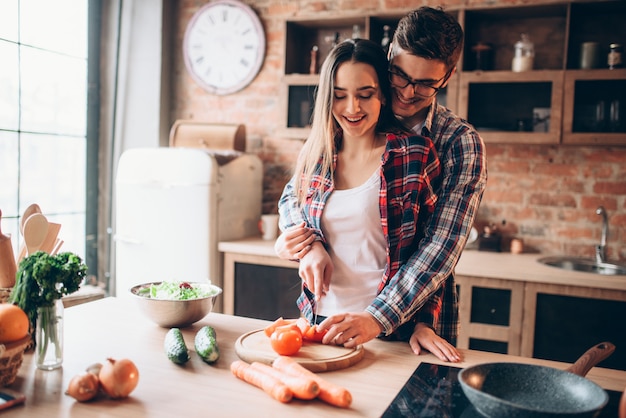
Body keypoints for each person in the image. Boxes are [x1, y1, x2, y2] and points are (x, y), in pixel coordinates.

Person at [276, 6, 487, 362]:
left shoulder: (454, 142)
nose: (406, 92)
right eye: (400, 76)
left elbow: (438, 248)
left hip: (413, 327)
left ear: (447, 77)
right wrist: (303, 241)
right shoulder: (344, 126)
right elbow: (293, 195)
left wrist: (382, 317)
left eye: (424, 84)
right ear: (389, 58)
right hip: (327, 321)